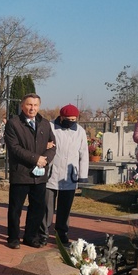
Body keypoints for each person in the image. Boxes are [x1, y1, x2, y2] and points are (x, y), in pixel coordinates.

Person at [5, 93, 56, 249]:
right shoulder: (13, 124)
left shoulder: (45, 124)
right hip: (21, 173)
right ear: (22, 106)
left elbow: (53, 146)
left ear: (39, 106)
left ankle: (30, 236)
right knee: (16, 208)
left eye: (35, 105)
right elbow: (14, 148)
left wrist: (45, 159)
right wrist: (36, 159)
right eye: (29, 105)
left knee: (37, 208)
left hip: (39, 176)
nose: (32, 108)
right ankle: (13, 238)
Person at [39, 104, 89, 247]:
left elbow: (84, 154)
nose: (71, 121)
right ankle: (43, 233)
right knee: (47, 207)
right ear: (61, 117)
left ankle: (62, 233)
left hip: (69, 176)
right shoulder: (50, 127)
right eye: (68, 119)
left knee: (65, 208)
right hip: (51, 174)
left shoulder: (80, 131)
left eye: (74, 119)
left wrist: (83, 175)